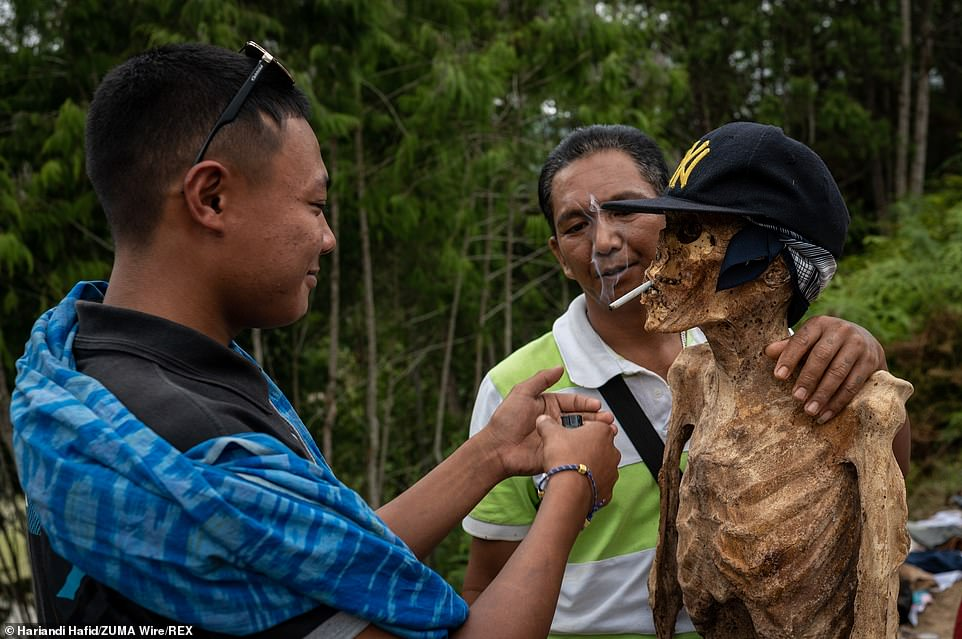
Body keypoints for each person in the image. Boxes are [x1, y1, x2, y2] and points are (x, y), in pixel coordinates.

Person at [10, 42, 622, 638]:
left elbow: (315, 563)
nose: (327, 238)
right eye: (316, 204)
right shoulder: (198, 443)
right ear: (211, 197)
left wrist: (491, 453)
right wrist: (571, 485)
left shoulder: (92, 368)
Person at [460, 124, 911, 639]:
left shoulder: (776, 355)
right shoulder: (516, 390)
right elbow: (485, 582)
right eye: (575, 225)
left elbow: (882, 501)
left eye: (626, 210)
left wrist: (864, 361)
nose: (605, 241)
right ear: (558, 255)